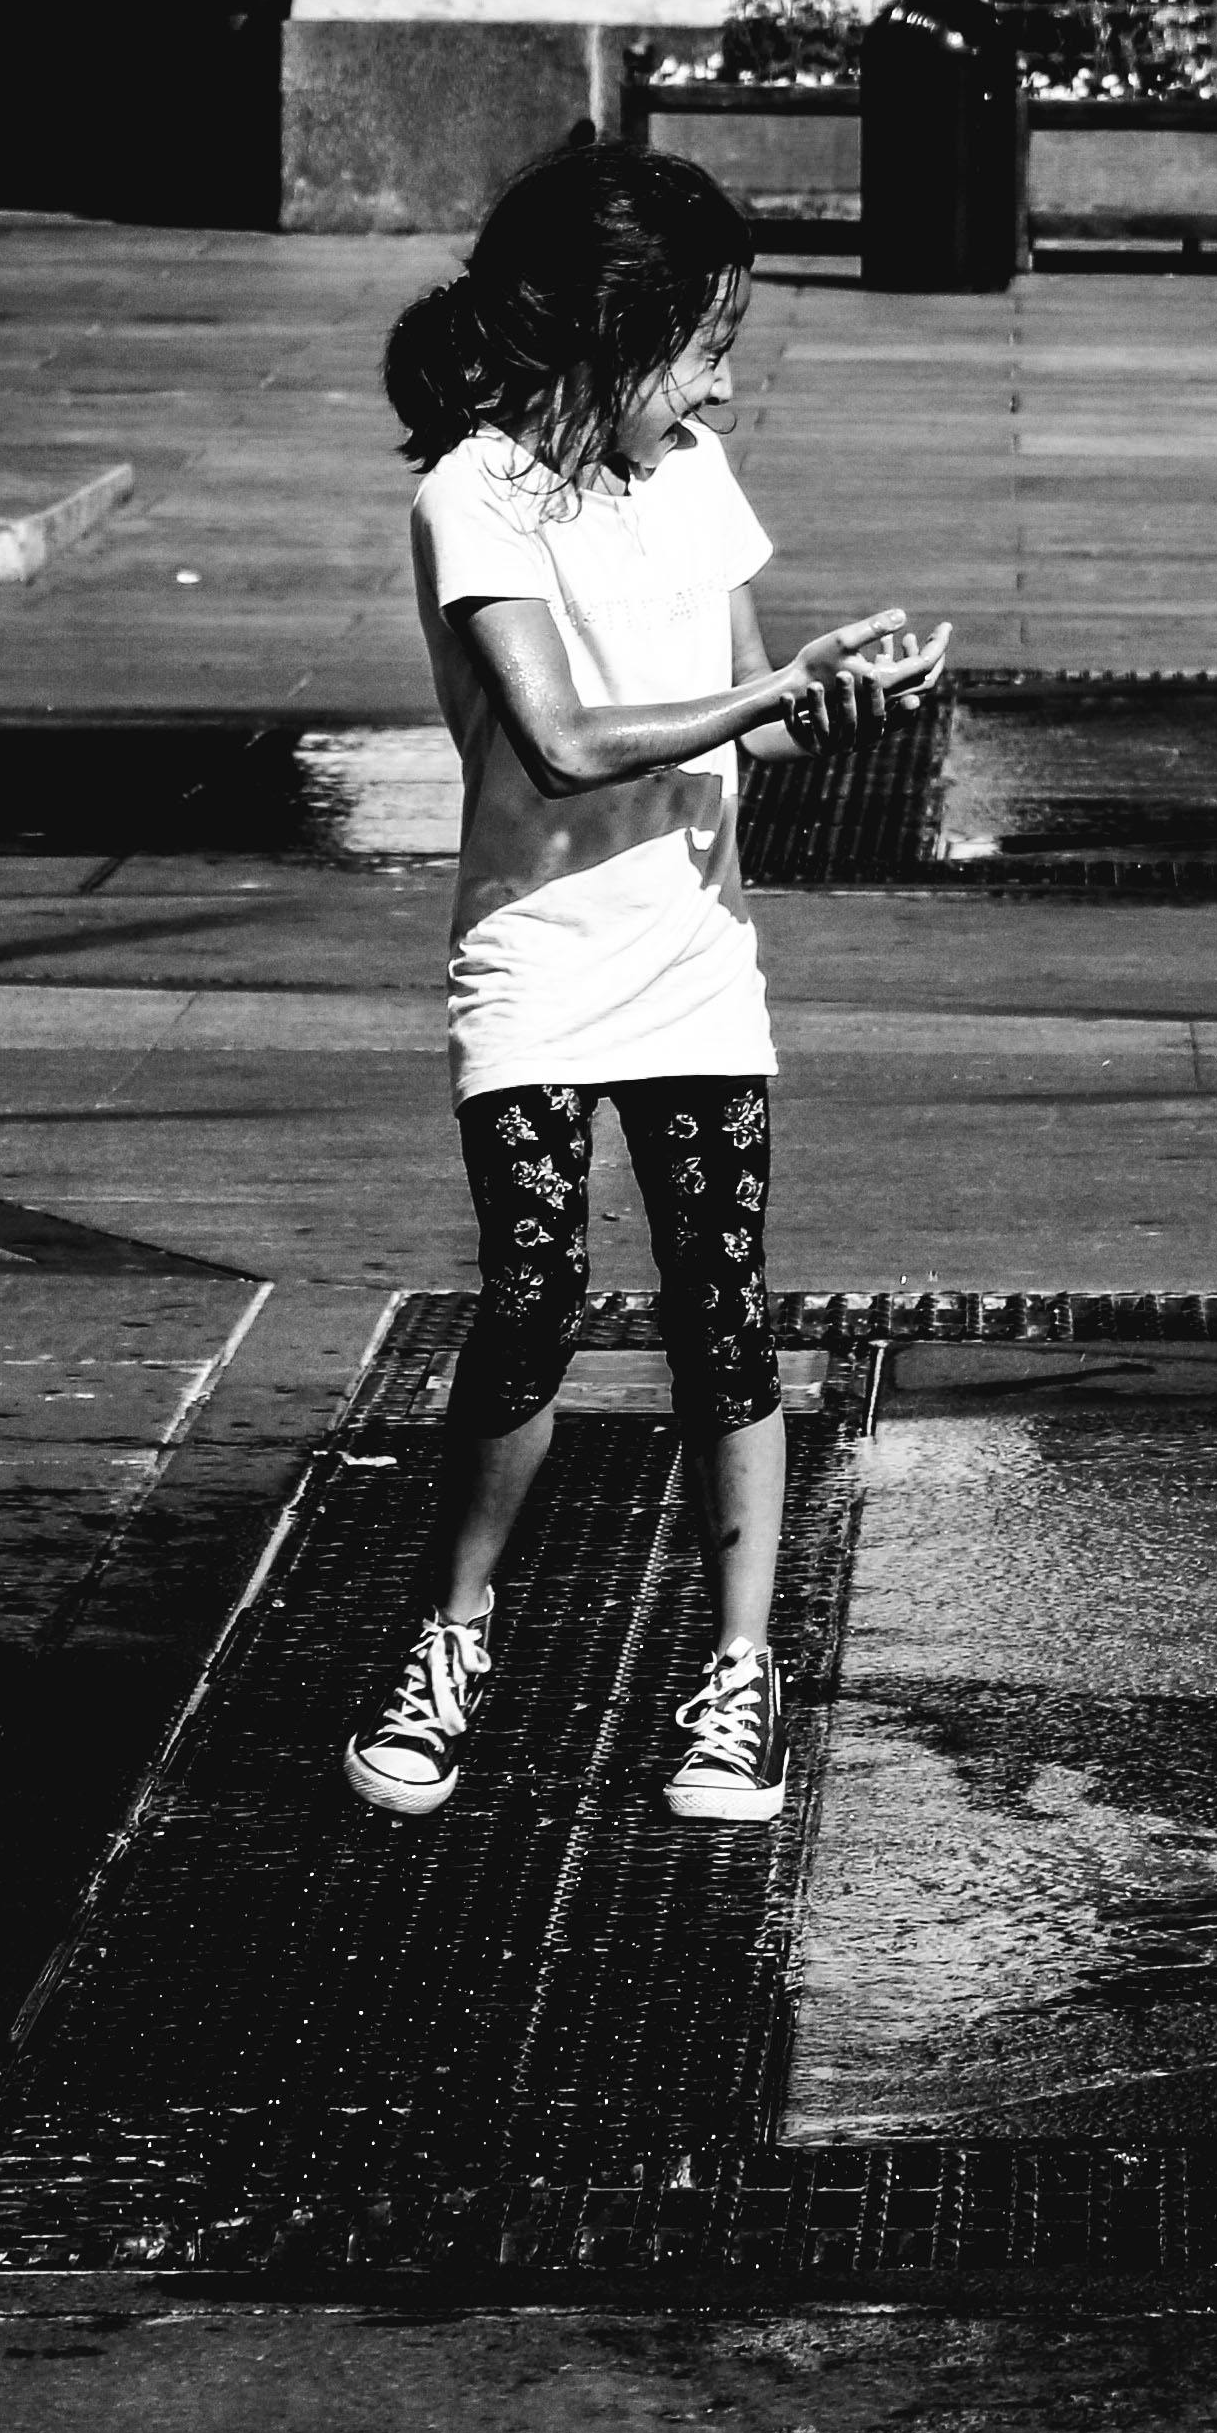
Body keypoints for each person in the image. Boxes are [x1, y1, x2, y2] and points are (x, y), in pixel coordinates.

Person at [351, 145, 948, 1830]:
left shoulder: (690, 478)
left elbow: (747, 686)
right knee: (532, 1296)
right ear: (611, 336)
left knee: (721, 1316)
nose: (726, 381)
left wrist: (833, 699)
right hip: (538, 961)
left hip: (694, 960)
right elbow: (556, 744)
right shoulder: (472, 494)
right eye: (703, 346)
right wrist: (771, 699)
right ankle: (453, 1633)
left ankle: (736, 1674)